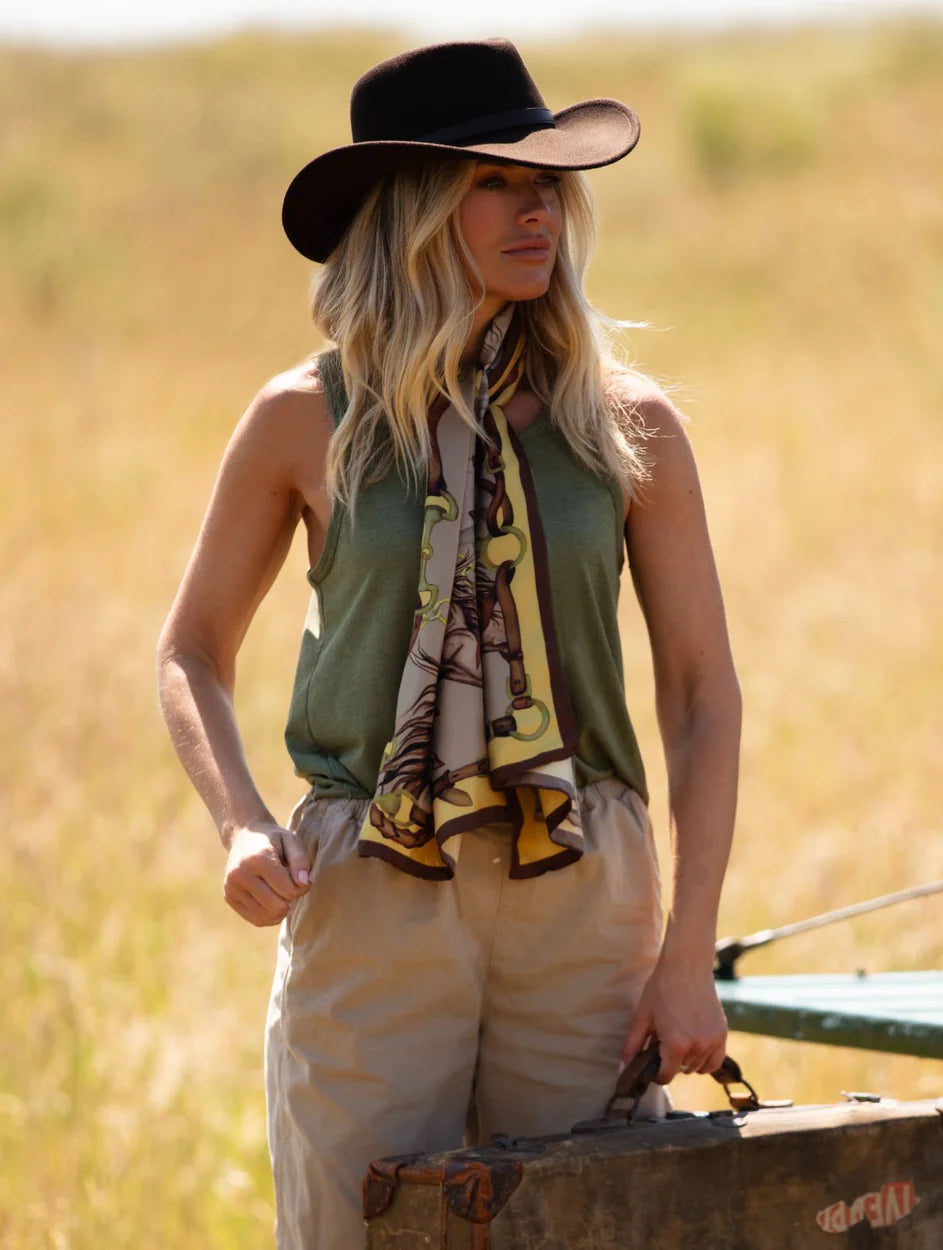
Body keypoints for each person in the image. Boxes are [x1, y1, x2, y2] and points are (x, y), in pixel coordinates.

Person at [157, 37, 741, 1250]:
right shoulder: (301, 419)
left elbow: (699, 692)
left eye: (546, 186)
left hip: (582, 889)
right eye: (494, 182)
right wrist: (240, 823)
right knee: (356, 1229)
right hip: (368, 883)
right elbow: (191, 650)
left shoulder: (628, 424)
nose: (536, 210)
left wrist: (689, 952)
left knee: (588, 1226)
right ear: (414, 211)